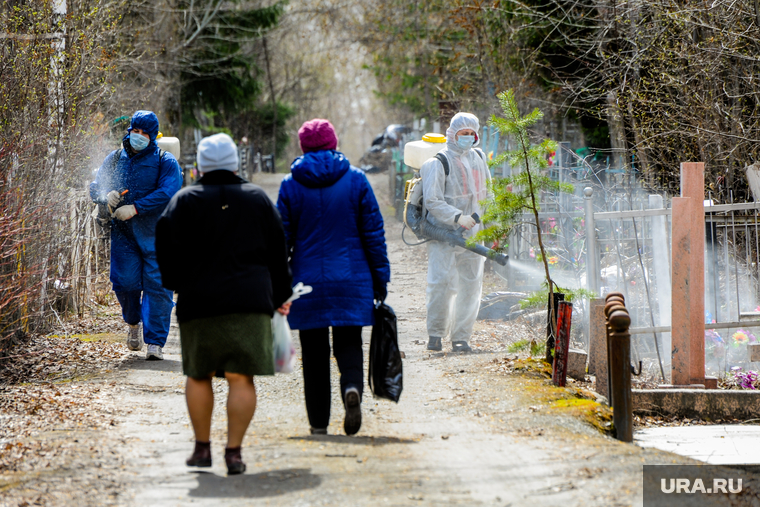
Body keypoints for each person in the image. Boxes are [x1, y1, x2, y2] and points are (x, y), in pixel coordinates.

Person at [155, 133, 293, 475]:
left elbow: (164, 245)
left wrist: (175, 283)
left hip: (198, 302)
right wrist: (281, 296)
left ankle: (202, 450)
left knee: (199, 375)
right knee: (240, 377)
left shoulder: (183, 201)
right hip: (249, 302)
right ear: (234, 163)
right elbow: (279, 251)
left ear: (200, 165)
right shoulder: (258, 200)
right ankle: (234, 453)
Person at [277, 119, 390, 436]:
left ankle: (318, 425)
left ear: (303, 147)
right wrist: (380, 279)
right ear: (334, 143)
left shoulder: (290, 184)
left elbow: (279, 241)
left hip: (306, 283)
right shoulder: (356, 180)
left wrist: (278, 285)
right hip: (350, 278)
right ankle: (351, 388)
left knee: (313, 354)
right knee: (349, 342)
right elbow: (373, 235)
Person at [90, 110, 182, 360]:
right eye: (135, 131)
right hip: (124, 235)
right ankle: (133, 323)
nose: (138, 136)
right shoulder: (115, 158)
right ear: (129, 130)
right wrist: (105, 196)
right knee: (124, 282)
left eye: (144, 133)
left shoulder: (166, 161)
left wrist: (136, 207)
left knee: (158, 288)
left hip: (158, 233)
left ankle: (155, 343)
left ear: (153, 136)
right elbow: (96, 186)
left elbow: (169, 190)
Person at [421, 112, 491, 353]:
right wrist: (457, 217)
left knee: (470, 286)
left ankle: (461, 337)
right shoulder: (438, 163)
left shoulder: (479, 158)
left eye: (472, 134)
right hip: (443, 234)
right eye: (464, 133)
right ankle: (436, 334)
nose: (468, 138)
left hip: (474, 234)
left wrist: (489, 222)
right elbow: (432, 200)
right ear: (452, 134)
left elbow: (487, 193)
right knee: (441, 284)